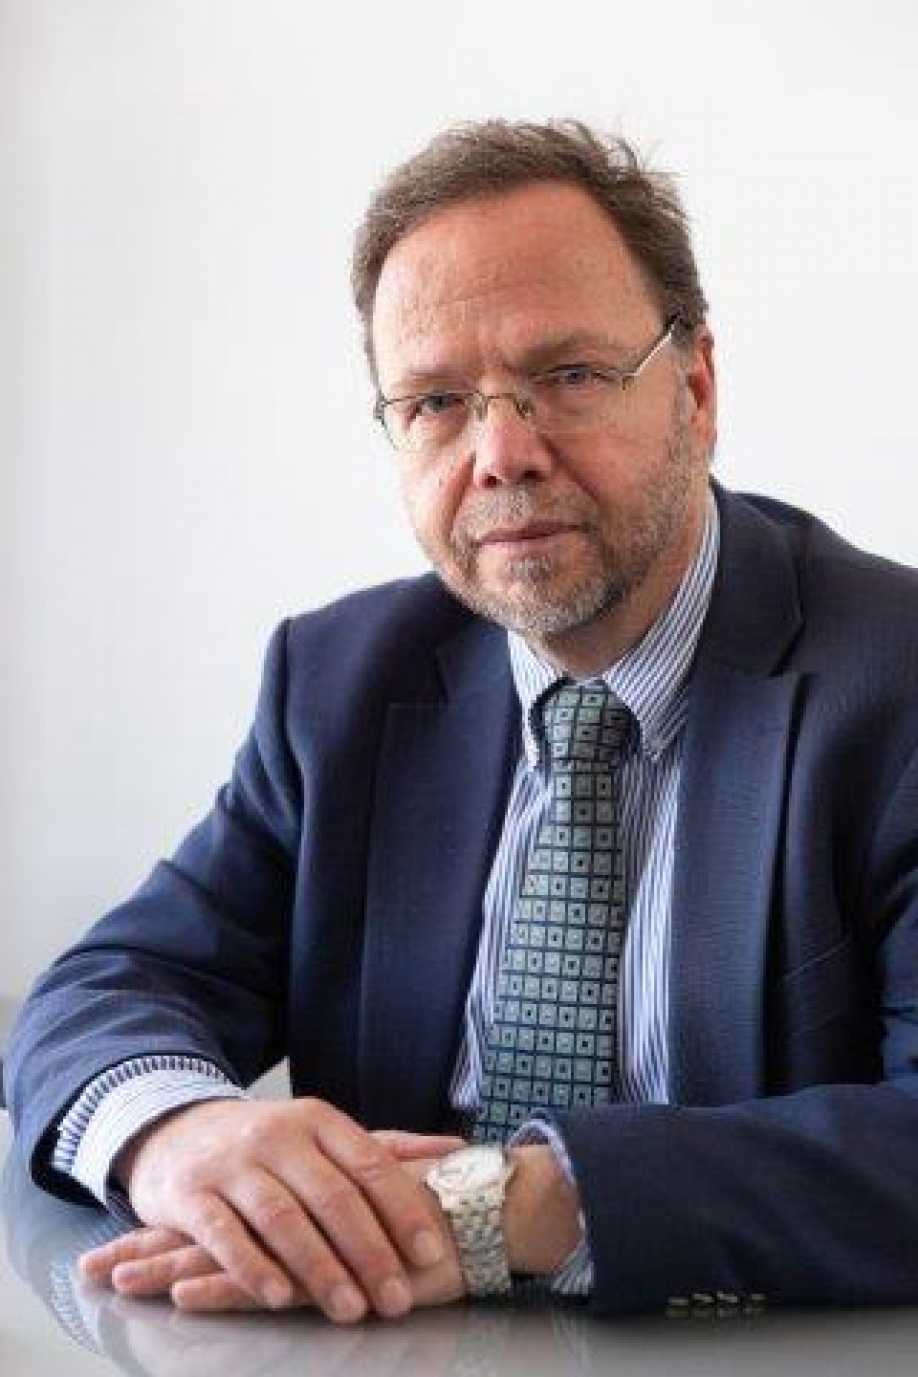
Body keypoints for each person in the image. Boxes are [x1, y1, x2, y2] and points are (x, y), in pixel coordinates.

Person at [7, 119, 918, 1324]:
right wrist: (180, 1133)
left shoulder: (894, 686)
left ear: (695, 390)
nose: (502, 454)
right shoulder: (339, 684)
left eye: (570, 376)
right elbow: (109, 985)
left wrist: (516, 1207)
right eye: (437, 401)